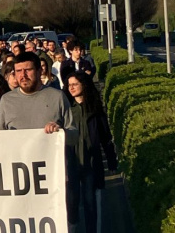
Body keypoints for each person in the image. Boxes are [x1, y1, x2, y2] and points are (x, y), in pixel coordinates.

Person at [0, 52, 77, 146]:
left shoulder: (57, 97)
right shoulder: (6, 100)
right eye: (18, 71)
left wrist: (60, 132)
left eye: (28, 70)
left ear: (39, 71)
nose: (23, 75)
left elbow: (74, 136)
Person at [66, 72, 118, 233]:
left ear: (84, 85)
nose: (71, 88)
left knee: (90, 203)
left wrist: (111, 162)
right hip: (71, 164)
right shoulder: (67, 109)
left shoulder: (95, 110)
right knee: (71, 203)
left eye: (75, 84)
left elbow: (106, 138)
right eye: (69, 85)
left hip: (91, 164)